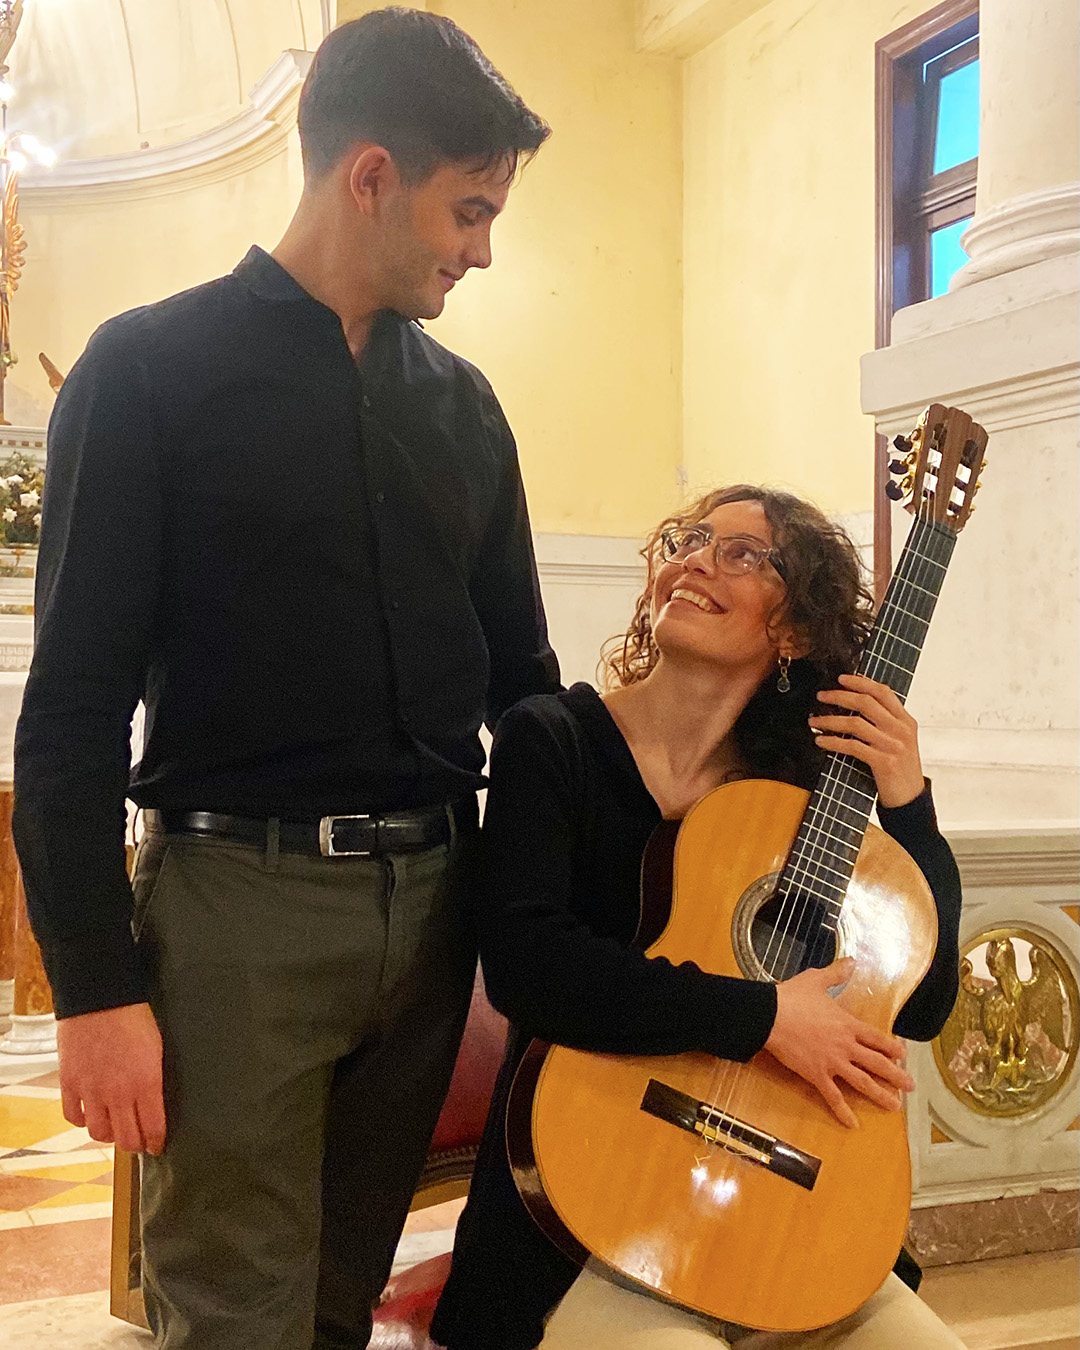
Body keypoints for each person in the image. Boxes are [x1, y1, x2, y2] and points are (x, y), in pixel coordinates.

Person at [12, 10, 559, 1349]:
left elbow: (525, 688)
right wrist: (92, 986)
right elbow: (72, 711)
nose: (483, 249)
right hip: (235, 914)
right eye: (469, 209)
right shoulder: (144, 373)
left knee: (334, 1304)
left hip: (435, 910)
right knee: (233, 1315)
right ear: (369, 175)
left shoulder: (469, 407)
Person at [431, 485, 965, 1350]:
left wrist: (908, 804)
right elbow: (532, 962)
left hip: (792, 1224)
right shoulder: (553, 740)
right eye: (688, 539)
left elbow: (926, 1001)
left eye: (744, 554)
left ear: (791, 629)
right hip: (589, 1223)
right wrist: (761, 1018)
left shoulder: (793, 803)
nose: (697, 561)